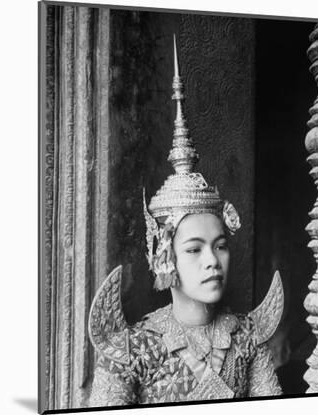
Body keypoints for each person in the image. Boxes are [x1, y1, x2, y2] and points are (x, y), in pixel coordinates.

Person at [87, 38, 284, 406]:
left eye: (220, 246)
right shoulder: (133, 349)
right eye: (193, 249)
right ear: (165, 256)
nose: (212, 260)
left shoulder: (247, 338)